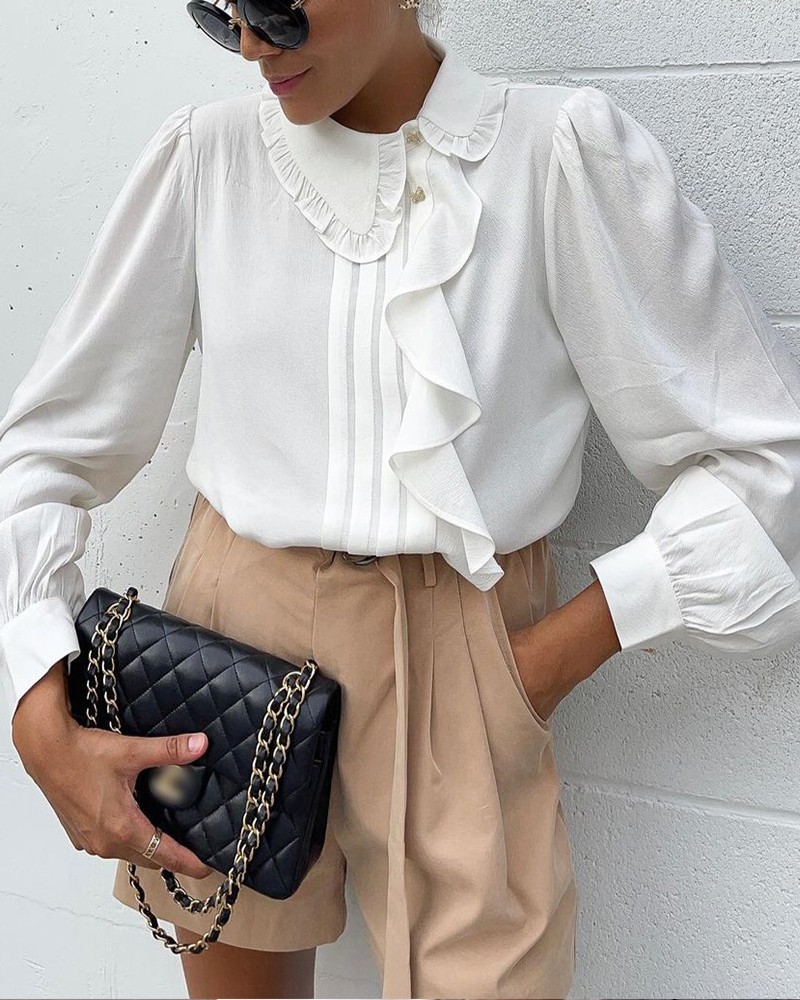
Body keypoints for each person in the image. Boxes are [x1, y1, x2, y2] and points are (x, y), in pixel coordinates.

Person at [3, 1, 800, 998]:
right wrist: (37, 701)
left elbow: (763, 454)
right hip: (229, 654)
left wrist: (538, 664)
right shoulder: (207, 157)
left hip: (466, 650)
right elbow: (48, 443)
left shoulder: (554, 154)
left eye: (278, 7)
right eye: (221, 8)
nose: (250, 44)